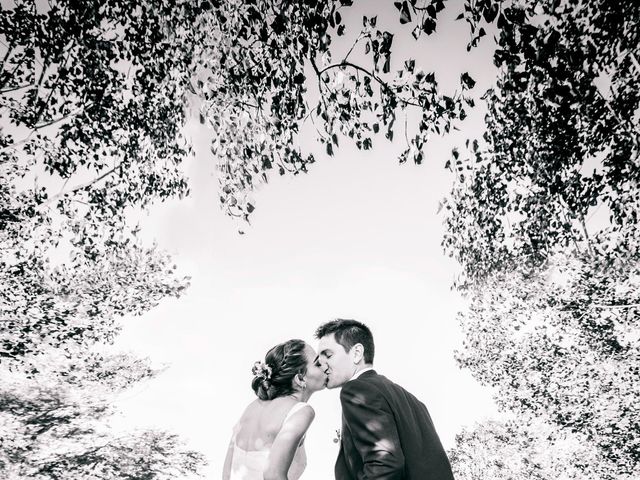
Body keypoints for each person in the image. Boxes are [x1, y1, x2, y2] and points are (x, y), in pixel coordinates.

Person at [315, 319, 455, 480]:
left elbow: (385, 465)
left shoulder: (356, 390)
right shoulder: (414, 401)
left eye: (328, 355)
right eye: (319, 360)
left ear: (356, 353)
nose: (322, 365)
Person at [222, 339, 327, 480]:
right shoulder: (301, 411)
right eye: (318, 363)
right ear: (300, 378)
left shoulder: (252, 407)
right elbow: (273, 475)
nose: (325, 365)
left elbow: (227, 473)